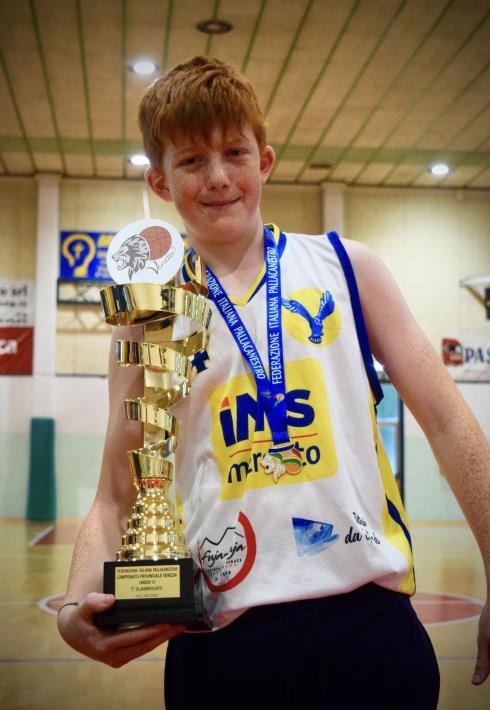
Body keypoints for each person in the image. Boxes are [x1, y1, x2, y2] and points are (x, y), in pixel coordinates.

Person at [58, 56, 490, 708]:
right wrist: (73, 606)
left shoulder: (348, 268)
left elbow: (448, 419)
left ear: (264, 161)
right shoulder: (146, 315)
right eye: (192, 161)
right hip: (222, 641)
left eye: (234, 153)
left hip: (370, 628)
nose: (218, 177)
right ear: (160, 182)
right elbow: (117, 493)